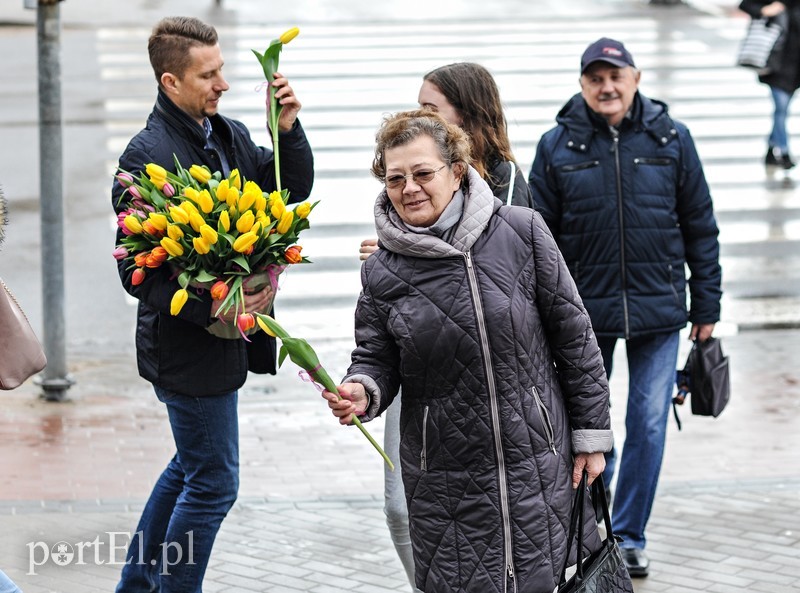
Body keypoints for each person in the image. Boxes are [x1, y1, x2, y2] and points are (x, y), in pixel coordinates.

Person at [324, 109, 613, 593]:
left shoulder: (522, 231)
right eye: (395, 179)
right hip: (444, 476)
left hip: (535, 462)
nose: (409, 188)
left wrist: (591, 435)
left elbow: (574, 336)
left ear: (456, 170)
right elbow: (375, 356)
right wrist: (362, 389)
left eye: (422, 173)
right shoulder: (382, 270)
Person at [111, 17, 314, 592]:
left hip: (221, 345)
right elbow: (135, 272)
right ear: (170, 81)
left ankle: (138, 584)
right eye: (209, 74)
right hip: (185, 350)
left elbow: (287, 193)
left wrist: (289, 130)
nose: (223, 83)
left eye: (223, 69)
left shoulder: (226, 134)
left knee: (190, 466)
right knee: (213, 483)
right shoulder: (146, 155)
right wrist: (214, 306)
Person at [528, 38, 722, 577]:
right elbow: (538, 239)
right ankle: (593, 528)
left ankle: (631, 533)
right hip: (584, 316)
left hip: (660, 312)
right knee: (589, 428)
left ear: (635, 78)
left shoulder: (672, 139)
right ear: (582, 84)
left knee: (650, 422)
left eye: (616, 76)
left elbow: (701, 228)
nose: (606, 87)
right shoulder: (557, 145)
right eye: (595, 78)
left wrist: (707, 309)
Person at [358, 62, 532, 591]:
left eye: (430, 107)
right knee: (400, 508)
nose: (418, 115)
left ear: (465, 114)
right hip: (421, 360)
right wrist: (390, 254)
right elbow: (375, 344)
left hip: (482, 376)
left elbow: (511, 280)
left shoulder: (503, 186)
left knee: (491, 515)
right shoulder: (412, 175)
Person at [739, 0, 800, 168]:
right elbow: (745, 4)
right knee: (781, 109)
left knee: (782, 110)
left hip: (795, 69)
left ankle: (771, 149)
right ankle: (784, 152)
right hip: (776, 65)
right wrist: (765, 10)